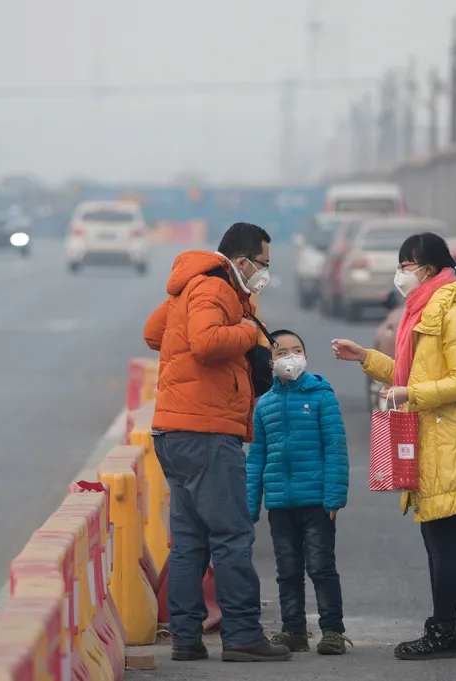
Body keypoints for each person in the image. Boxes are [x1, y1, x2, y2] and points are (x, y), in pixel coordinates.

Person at [331, 232, 456, 661]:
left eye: (407, 265)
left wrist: (411, 396)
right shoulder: (423, 308)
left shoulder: (454, 312)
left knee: (442, 537)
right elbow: (413, 374)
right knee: (434, 536)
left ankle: (445, 632)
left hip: (449, 437)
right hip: (430, 433)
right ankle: (443, 629)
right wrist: (366, 358)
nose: (401, 273)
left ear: (428, 268)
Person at [143, 222, 292, 663]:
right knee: (231, 535)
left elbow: (155, 334)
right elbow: (207, 343)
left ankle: (187, 638)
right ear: (242, 260)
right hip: (206, 431)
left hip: (174, 430)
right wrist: (248, 331)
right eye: (262, 264)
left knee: (190, 541)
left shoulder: (188, 285)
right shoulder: (217, 288)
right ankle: (243, 633)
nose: (263, 273)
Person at [246, 329, 351, 656]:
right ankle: (293, 630)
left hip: (317, 502)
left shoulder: (322, 396)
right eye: (280, 352)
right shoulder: (264, 406)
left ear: (305, 355)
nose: (289, 357)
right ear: (270, 361)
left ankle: (332, 631)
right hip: (280, 503)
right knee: (287, 569)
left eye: (296, 350)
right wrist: (251, 503)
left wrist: (334, 496)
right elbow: (256, 457)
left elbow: (336, 448)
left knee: (321, 566)